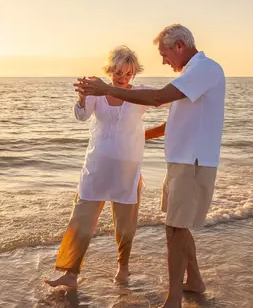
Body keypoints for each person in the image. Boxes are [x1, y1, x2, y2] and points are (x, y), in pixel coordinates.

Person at [74, 24, 225, 308]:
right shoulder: (191, 74)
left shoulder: (204, 69)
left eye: (165, 53)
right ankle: (193, 280)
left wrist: (106, 89)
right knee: (178, 226)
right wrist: (135, 137)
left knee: (174, 228)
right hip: (181, 161)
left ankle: (172, 306)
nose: (164, 60)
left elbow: (156, 99)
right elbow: (173, 122)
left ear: (179, 45)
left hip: (192, 162)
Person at [45, 45, 167, 289]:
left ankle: (123, 267)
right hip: (96, 166)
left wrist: (153, 133)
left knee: (125, 222)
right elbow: (81, 116)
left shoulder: (141, 93)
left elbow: (169, 102)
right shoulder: (96, 93)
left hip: (127, 168)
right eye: (118, 72)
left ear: (134, 73)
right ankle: (70, 272)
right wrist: (82, 97)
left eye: (128, 74)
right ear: (110, 70)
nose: (122, 78)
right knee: (81, 216)